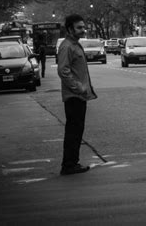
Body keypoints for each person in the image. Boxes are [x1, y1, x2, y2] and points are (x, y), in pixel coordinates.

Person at [57, 14, 97, 175]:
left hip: (79, 96)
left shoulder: (75, 45)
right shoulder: (67, 46)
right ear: (69, 29)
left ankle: (72, 162)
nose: (83, 30)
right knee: (73, 131)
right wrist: (78, 87)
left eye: (83, 27)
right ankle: (69, 165)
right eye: (79, 27)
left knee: (76, 130)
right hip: (74, 96)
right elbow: (63, 71)